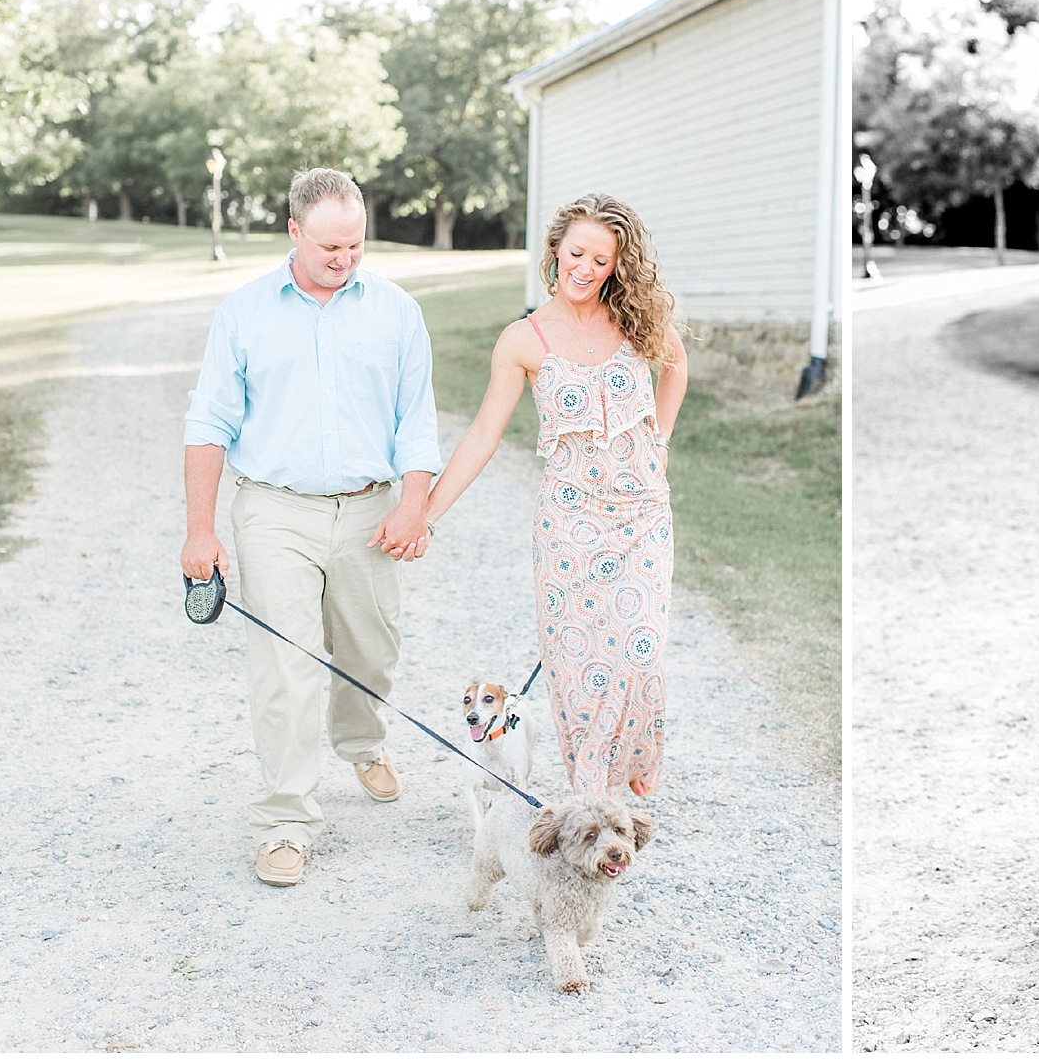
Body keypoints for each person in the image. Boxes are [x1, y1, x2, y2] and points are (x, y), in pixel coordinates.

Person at [181, 167, 440, 888]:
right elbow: (209, 423)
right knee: (285, 669)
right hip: (273, 510)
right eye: (329, 245)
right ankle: (285, 821)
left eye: (355, 245)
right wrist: (200, 529)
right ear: (293, 232)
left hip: (369, 507)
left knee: (371, 650)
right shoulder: (243, 312)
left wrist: (413, 505)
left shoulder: (396, 311)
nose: (343, 258)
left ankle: (362, 739)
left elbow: (416, 423)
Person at [424, 194, 687, 800]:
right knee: (578, 673)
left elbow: (676, 368)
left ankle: (633, 767)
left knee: (640, 656)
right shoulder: (524, 339)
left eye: (601, 258)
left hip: (643, 515)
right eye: (577, 253)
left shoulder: (638, 319)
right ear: (555, 252)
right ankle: (594, 800)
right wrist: (426, 515)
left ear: (617, 265)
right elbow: (485, 435)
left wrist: (662, 439)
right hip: (568, 524)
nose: (586, 267)